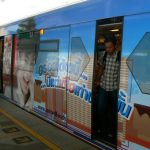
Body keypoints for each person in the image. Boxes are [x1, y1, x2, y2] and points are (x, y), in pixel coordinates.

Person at [97, 35, 120, 143]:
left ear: (115, 46)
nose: (108, 49)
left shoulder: (120, 56)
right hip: (103, 87)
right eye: (106, 47)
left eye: (110, 47)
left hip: (114, 89)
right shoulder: (104, 55)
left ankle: (112, 132)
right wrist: (96, 80)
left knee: (113, 111)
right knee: (101, 109)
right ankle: (103, 130)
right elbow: (101, 68)